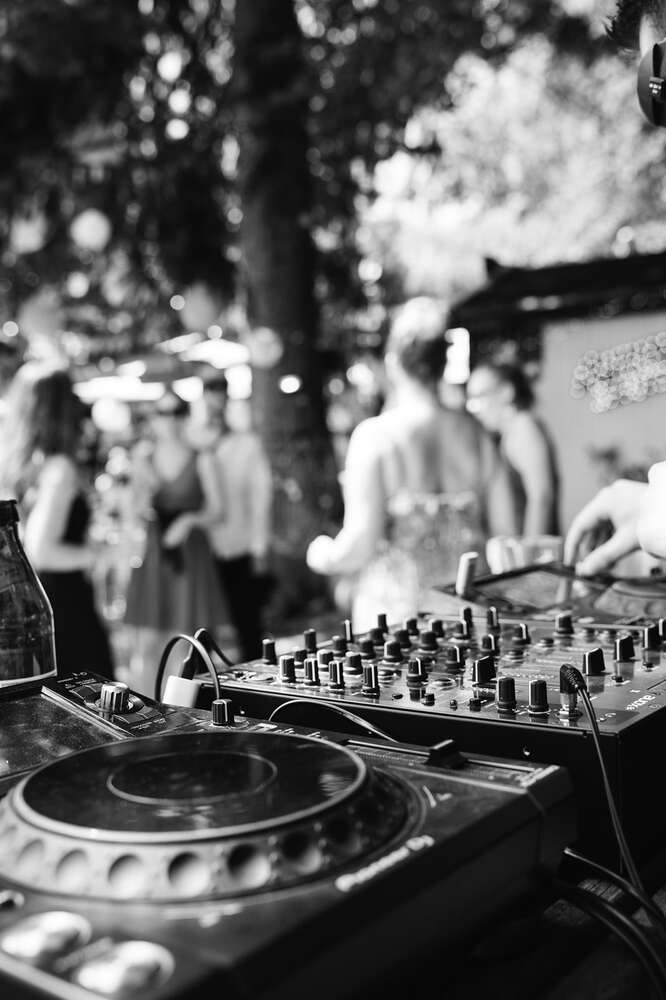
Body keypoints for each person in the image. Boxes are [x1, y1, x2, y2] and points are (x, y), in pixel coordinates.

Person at [306, 296, 520, 631]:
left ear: (393, 361)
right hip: (466, 619)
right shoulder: (477, 435)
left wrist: (322, 554)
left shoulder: (375, 437)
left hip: (396, 625)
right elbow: (507, 536)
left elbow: (360, 545)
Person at [0, 360, 115, 679]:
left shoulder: (15, 464)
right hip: (64, 604)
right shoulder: (59, 469)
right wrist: (102, 554)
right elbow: (43, 551)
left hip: (27, 599)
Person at [122, 388, 228, 694]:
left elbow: (219, 511)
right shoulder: (145, 457)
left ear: (185, 416)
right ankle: (146, 705)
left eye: (176, 412)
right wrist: (140, 489)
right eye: (162, 413)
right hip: (154, 553)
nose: (169, 421)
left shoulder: (202, 457)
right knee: (148, 639)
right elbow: (133, 511)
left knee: (187, 638)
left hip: (190, 552)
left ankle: (181, 710)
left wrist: (189, 520)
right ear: (153, 418)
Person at [181, 372, 273, 663]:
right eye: (209, 391)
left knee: (246, 622)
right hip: (197, 547)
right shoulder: (189, 439)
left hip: (235, 545)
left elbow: (261, 496)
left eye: (220, 392)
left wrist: (259, 546)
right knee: (199, 626)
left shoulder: (247, 443)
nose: (215, 399)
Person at [465, 361, 561, 538]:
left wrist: (529, 556)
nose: (474, 408)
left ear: (506, 392)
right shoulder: (510, 434)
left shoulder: (524, 428)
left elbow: (541, 497)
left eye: (479, 396)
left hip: (531, 557)